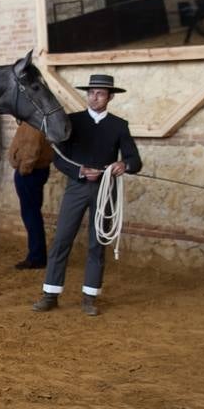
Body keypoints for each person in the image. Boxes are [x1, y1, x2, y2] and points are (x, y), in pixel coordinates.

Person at [32, 73, 141, 317]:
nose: (94, 97)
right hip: (77, 188)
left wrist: (124, 165)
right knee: (62, 239)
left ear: (110, 97)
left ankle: (89, 297)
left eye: (100, 93)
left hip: (105, 191)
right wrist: (79, 171)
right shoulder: (73, 122)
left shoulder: (119, 126)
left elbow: (135, 159)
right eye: (91, 93)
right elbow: (58, 157)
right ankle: (50, 294)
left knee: (97, 242)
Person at [8, 121, 53, 270]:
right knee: (32, 213)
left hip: (30, 173)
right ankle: (37, 254)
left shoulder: (32, 124)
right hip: (33, 172)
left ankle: (36, 257)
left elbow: (31, 150)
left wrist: (23, 170)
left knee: (31, 214)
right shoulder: (33, 122)